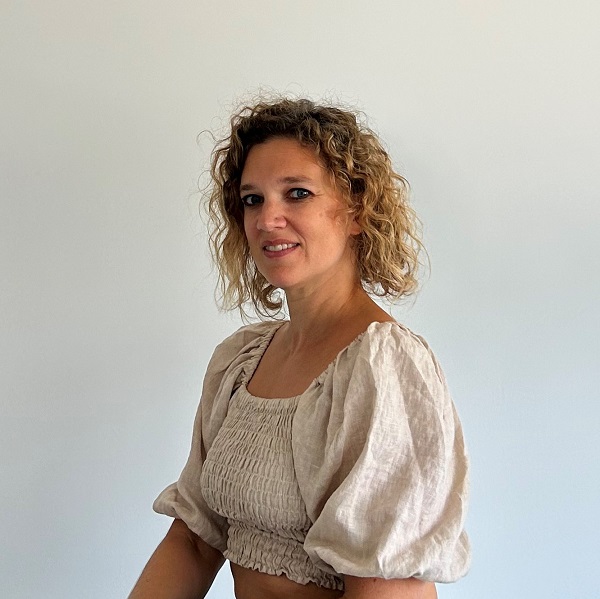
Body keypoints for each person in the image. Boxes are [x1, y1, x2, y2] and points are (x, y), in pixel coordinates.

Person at [129, 98, 471, 599]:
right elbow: (194, 541)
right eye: (253, 199)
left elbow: (386, 586)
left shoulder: (381, 368)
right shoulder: (240, 360)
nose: (268, 219)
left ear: (357, 211)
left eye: (297, 193)